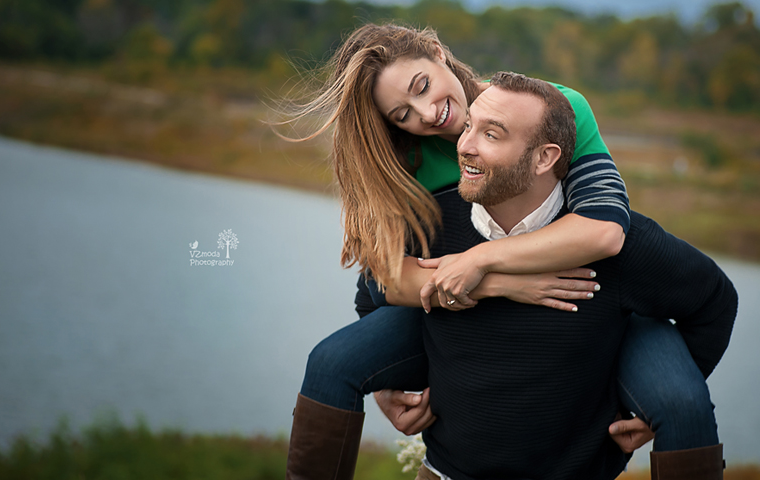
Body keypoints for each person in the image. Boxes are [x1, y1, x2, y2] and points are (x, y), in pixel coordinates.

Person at [278, 24, 721, 479]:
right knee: (331, 363)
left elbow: (605, 228)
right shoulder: (405, 157)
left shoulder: (549, 109)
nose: (427, 114)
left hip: (585, 301)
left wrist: (481, 259)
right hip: (447, 302)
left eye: (422, 86)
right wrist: (505, 285)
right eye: (402, 114)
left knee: (678, 399)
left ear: (436, 51)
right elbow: (383, 279)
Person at [380, 72, 737, 479]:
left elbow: (715, 302)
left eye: (491, 135)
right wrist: (385, 387)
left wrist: (648, 407)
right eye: (468, 127)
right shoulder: (430, 222)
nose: (464, 146)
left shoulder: (621, 244)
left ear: (544, 158)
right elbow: (374, 293)